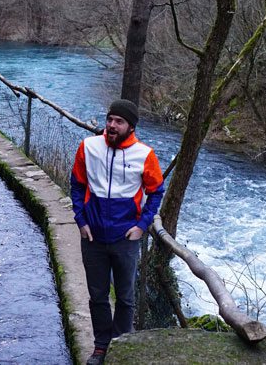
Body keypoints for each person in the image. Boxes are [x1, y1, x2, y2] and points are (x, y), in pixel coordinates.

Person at [70, 99, 165, 365]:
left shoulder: (144, 154)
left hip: (125, 237)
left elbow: (156, 192)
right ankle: (101, 346)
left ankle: (122, 345)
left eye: (118, 121)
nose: (111, 125)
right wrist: (80, 220)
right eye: (110, 119)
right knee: (98, 296)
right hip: (93, 236)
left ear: (130, 127)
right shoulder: (88, 147)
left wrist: (141, 226)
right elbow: (77, 185)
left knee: (125, 296)